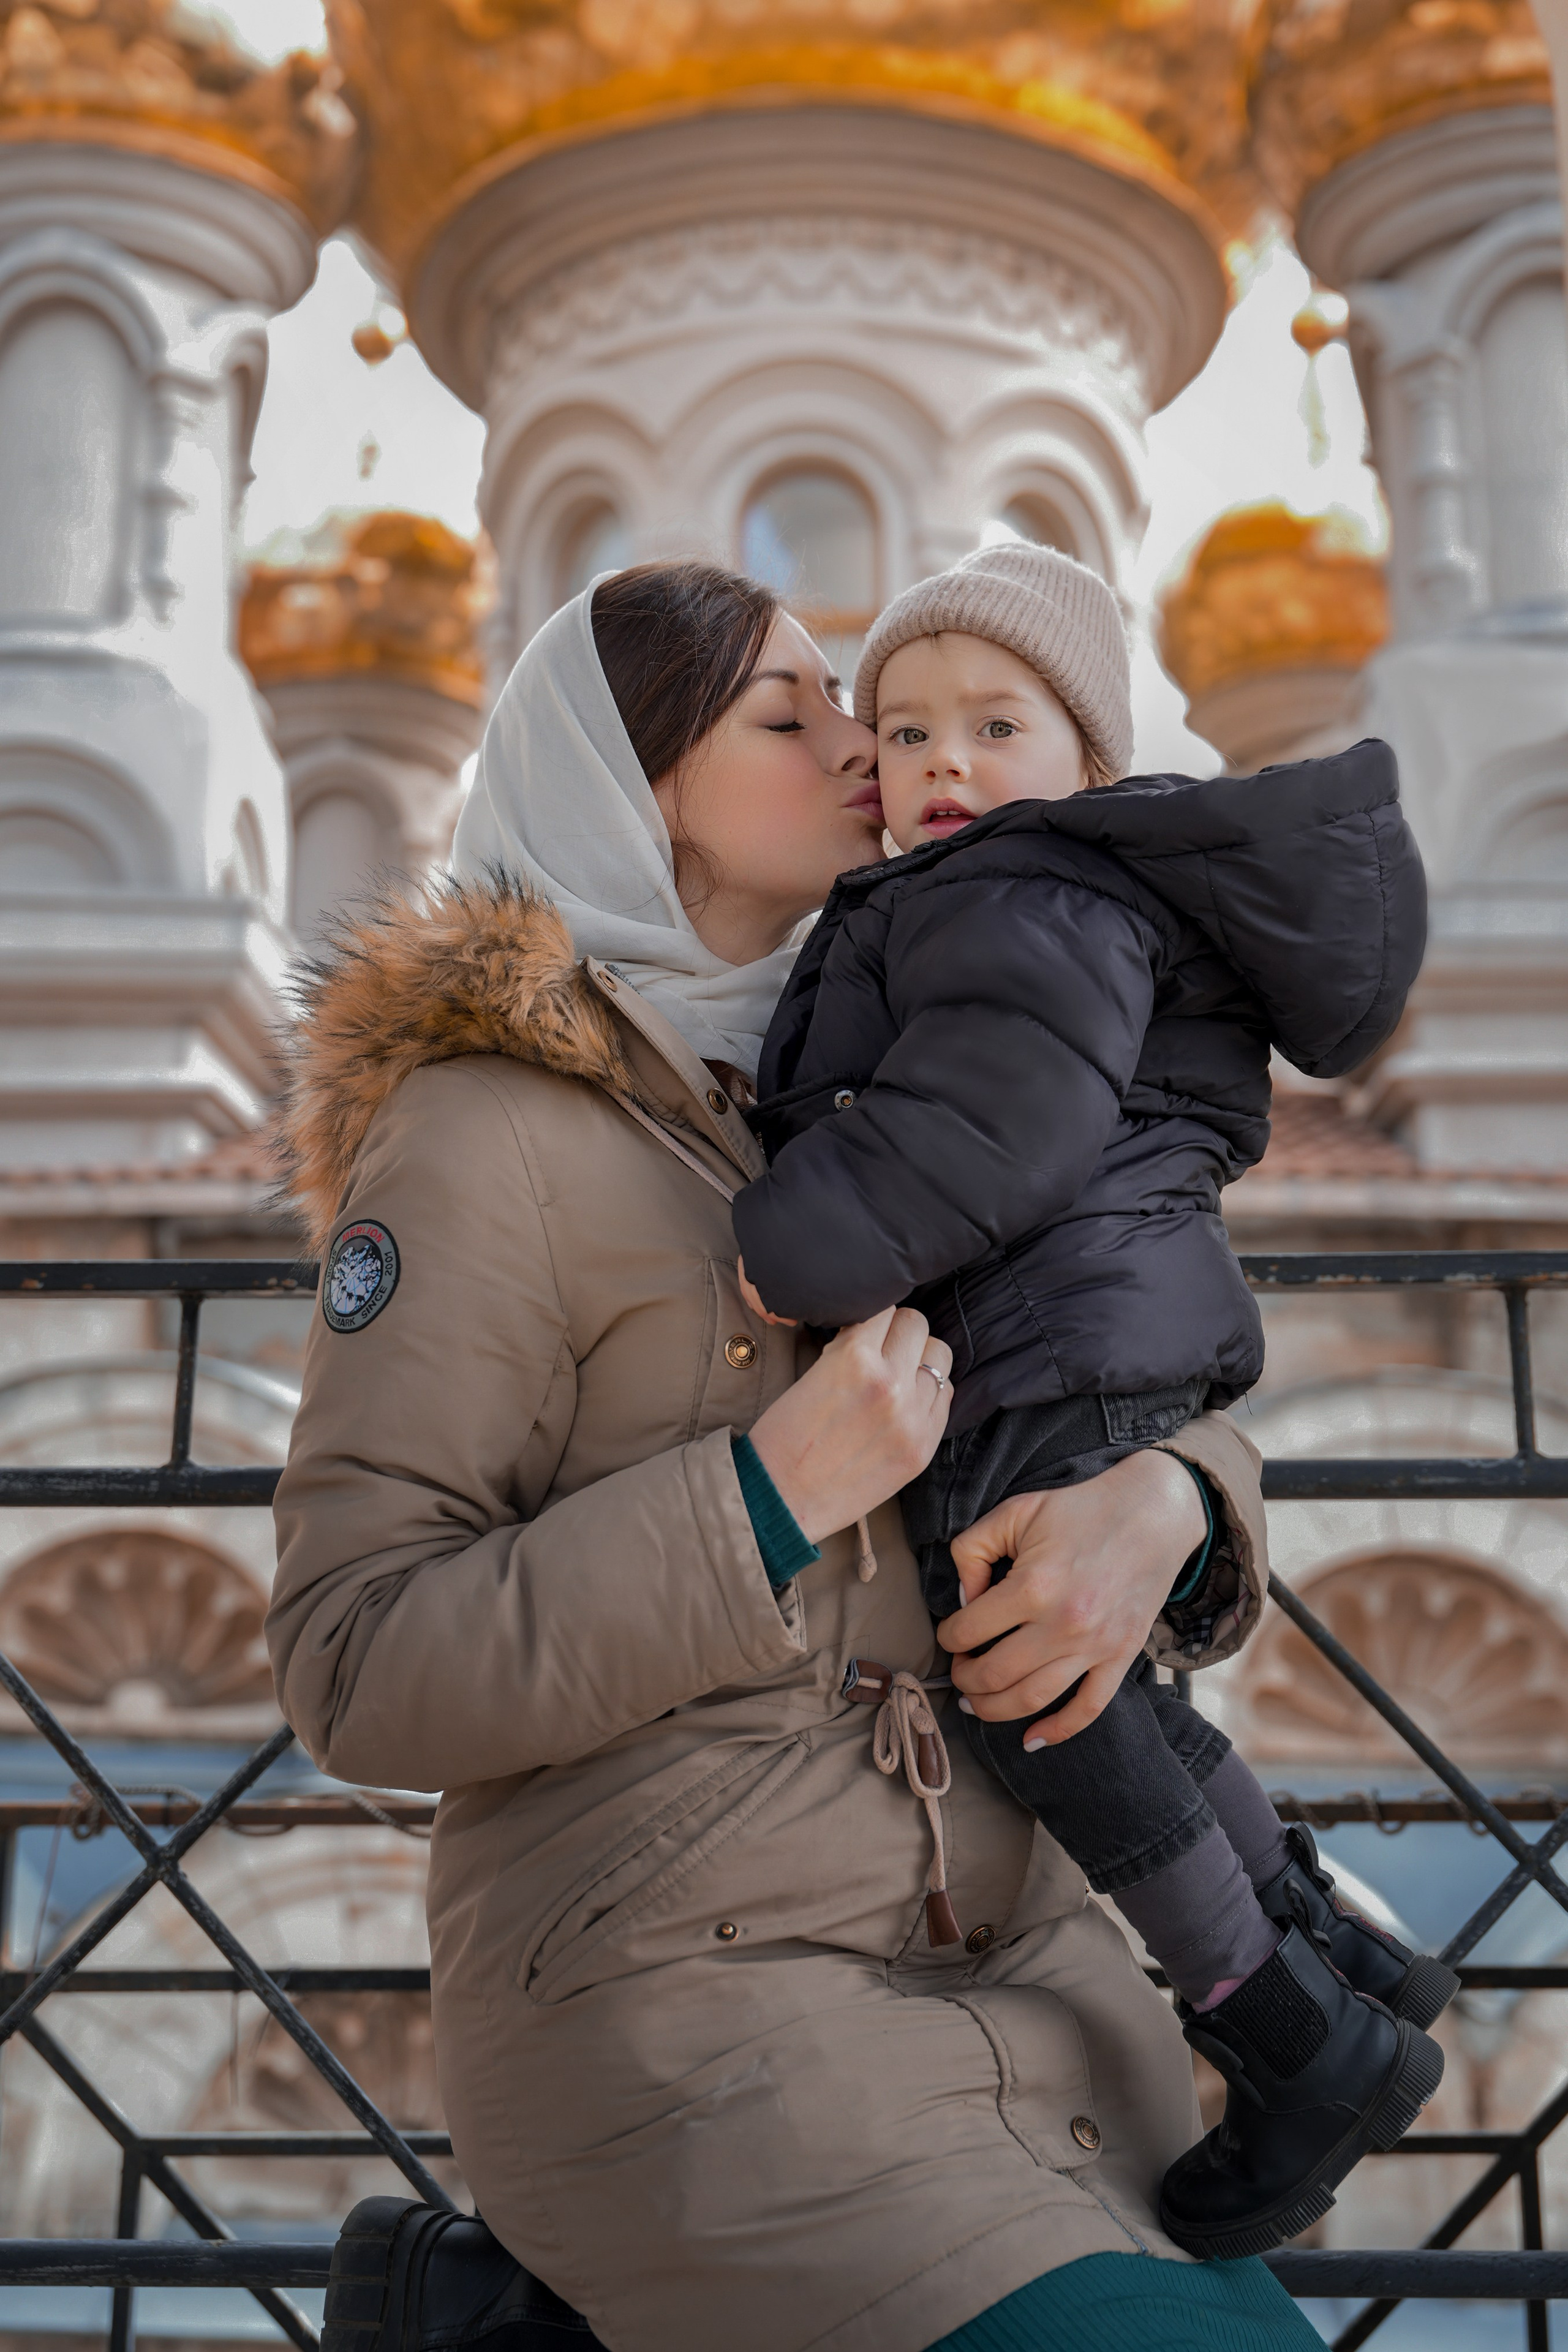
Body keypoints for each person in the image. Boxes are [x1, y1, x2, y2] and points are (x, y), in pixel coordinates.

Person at [269, 560, 1321, 2352]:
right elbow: (356, 1664)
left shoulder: (907, 1081)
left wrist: (1181, 1507)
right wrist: (764, 1499)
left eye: (867, 707)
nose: (873, 747)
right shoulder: (488, 1133)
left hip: (1043, 1992)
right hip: (703, 2007)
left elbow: (1114, 1364)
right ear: (634, 779)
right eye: (794, 711)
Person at [731, 540, 1444, 2262]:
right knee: (1103, 1680)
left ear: (1091, 760)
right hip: (1089, 1329)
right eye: (901, 734)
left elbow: (992, 1131)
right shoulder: (1046, 888)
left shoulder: (1011, 895)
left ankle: (1283, 2033)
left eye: (994, 723)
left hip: (1044, 1341)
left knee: (1031, 1699)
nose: (939, 767)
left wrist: (787, 1244)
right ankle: (1333, 1943)